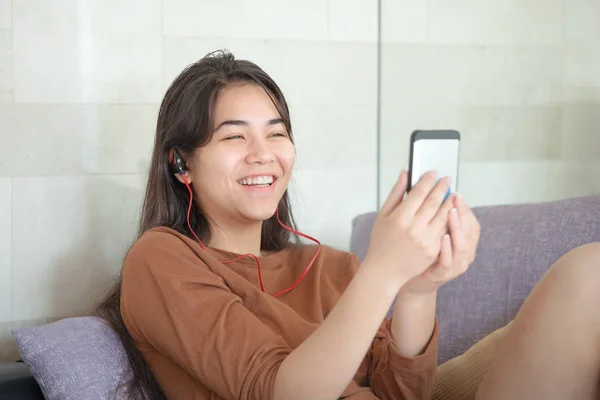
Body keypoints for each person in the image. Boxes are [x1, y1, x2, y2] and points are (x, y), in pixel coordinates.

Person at [96, 50, 600, 400]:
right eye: (234, 138)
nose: (264, 155)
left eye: (277, 134)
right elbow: (280, 391)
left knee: (591, 273)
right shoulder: (161, 259)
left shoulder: (328, 266)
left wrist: (420, 289)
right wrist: (383, 273)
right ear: (181, 164)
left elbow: (403, 394)